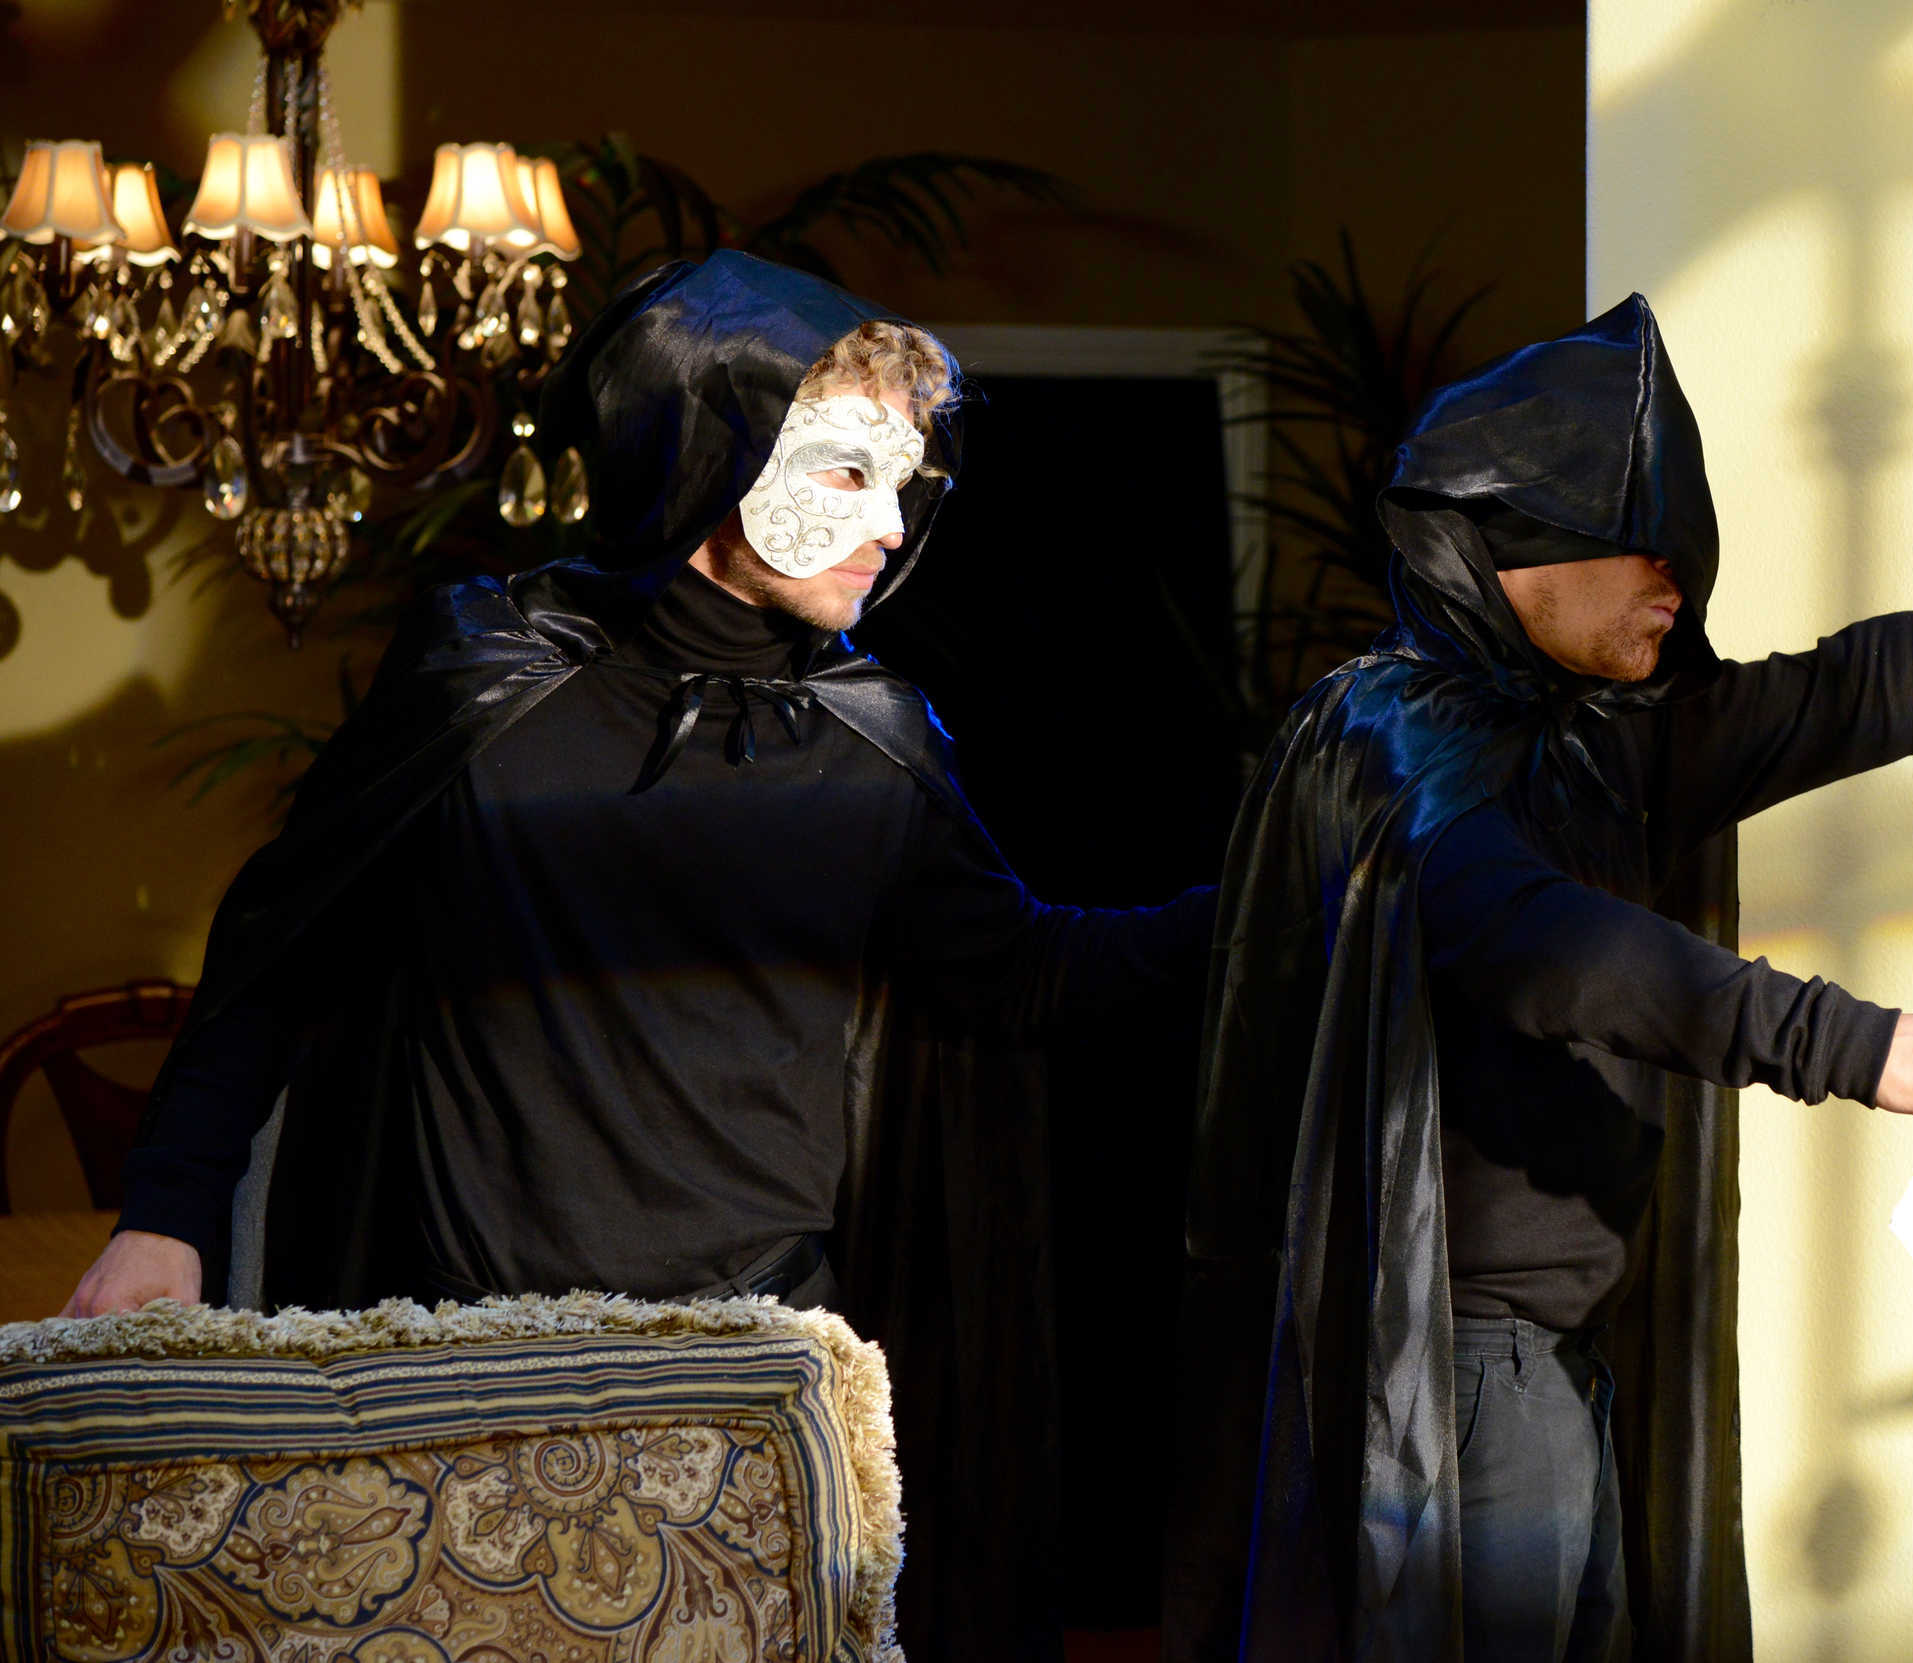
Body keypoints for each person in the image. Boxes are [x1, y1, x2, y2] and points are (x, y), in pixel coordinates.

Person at [64, 250, 1213, 1661]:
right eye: (849, 472)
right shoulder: (490, 682)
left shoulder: (873, 743)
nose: (892, 522)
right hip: (474, 1357)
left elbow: (1018, 974)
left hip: (765, 1366)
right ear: (712, 458)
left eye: (907, 481)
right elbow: (283, 953)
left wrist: (1267, 907)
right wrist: (167, 1212)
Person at [1165, 295, 1913, 1661]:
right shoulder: (1397, 744)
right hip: (1459, 1383)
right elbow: (1551, 948)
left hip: (1550, 1370)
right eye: (1646, 544)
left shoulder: (1590, 739)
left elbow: (1854, 691)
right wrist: (1863, 1043)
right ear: (1524, 548)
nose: (1681, 579)